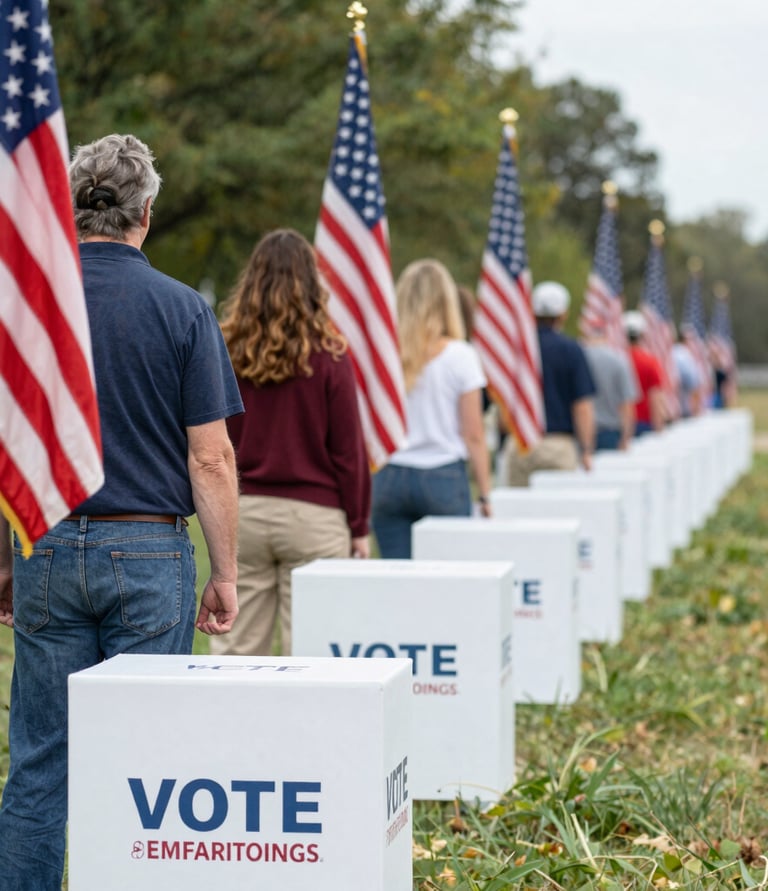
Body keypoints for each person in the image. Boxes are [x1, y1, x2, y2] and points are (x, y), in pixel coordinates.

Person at [0, 133, 243, 891]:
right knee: (150, 762)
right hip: (149, 552)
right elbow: (210, 457)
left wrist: (4, 559)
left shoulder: (31, 310)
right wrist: (225, 572)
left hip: (45, 542)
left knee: (38, 761)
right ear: (148, 211)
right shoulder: (182, 309)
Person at [210, 228, 371, 657]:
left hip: (242, 514)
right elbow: (349, 453)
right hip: (316, 520)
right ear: (312, 283)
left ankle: (230, 726)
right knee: (316, 654)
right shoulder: (331, 355)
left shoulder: (225, 350)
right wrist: (359, 526)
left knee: (236, 650)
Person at [371, 259, 492, 558]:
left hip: (389, 475)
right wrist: (486, 492)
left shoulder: (384, 355)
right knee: (447, 582)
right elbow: (474, 434)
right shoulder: (461, 356)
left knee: (396, 578)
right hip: (443, 476)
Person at [504, 281, 596, 485]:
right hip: (558, 445)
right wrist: (587, 450)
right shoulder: (571, 350)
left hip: (520, 442)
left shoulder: (518, 349)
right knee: (559, 513)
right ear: (563, 314)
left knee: (518, 513)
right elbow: (582, 406)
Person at [581, 320, 638, 450]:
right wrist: (626, 437)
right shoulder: (619, 360)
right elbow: (627, 404)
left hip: (581, 432)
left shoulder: (578, 357)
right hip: (610, 433)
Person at [623, 310, 666, 435]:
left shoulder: (619, 359)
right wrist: (659, 426)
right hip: (645, 424)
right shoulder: (650, 362)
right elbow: (655, 397)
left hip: (623, 423)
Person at [672, 327, 703, 418]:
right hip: (683, 409)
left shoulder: (674, 351)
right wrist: (696, 410)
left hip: (674, 409)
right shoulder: (683, 355)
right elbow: (693, 383)